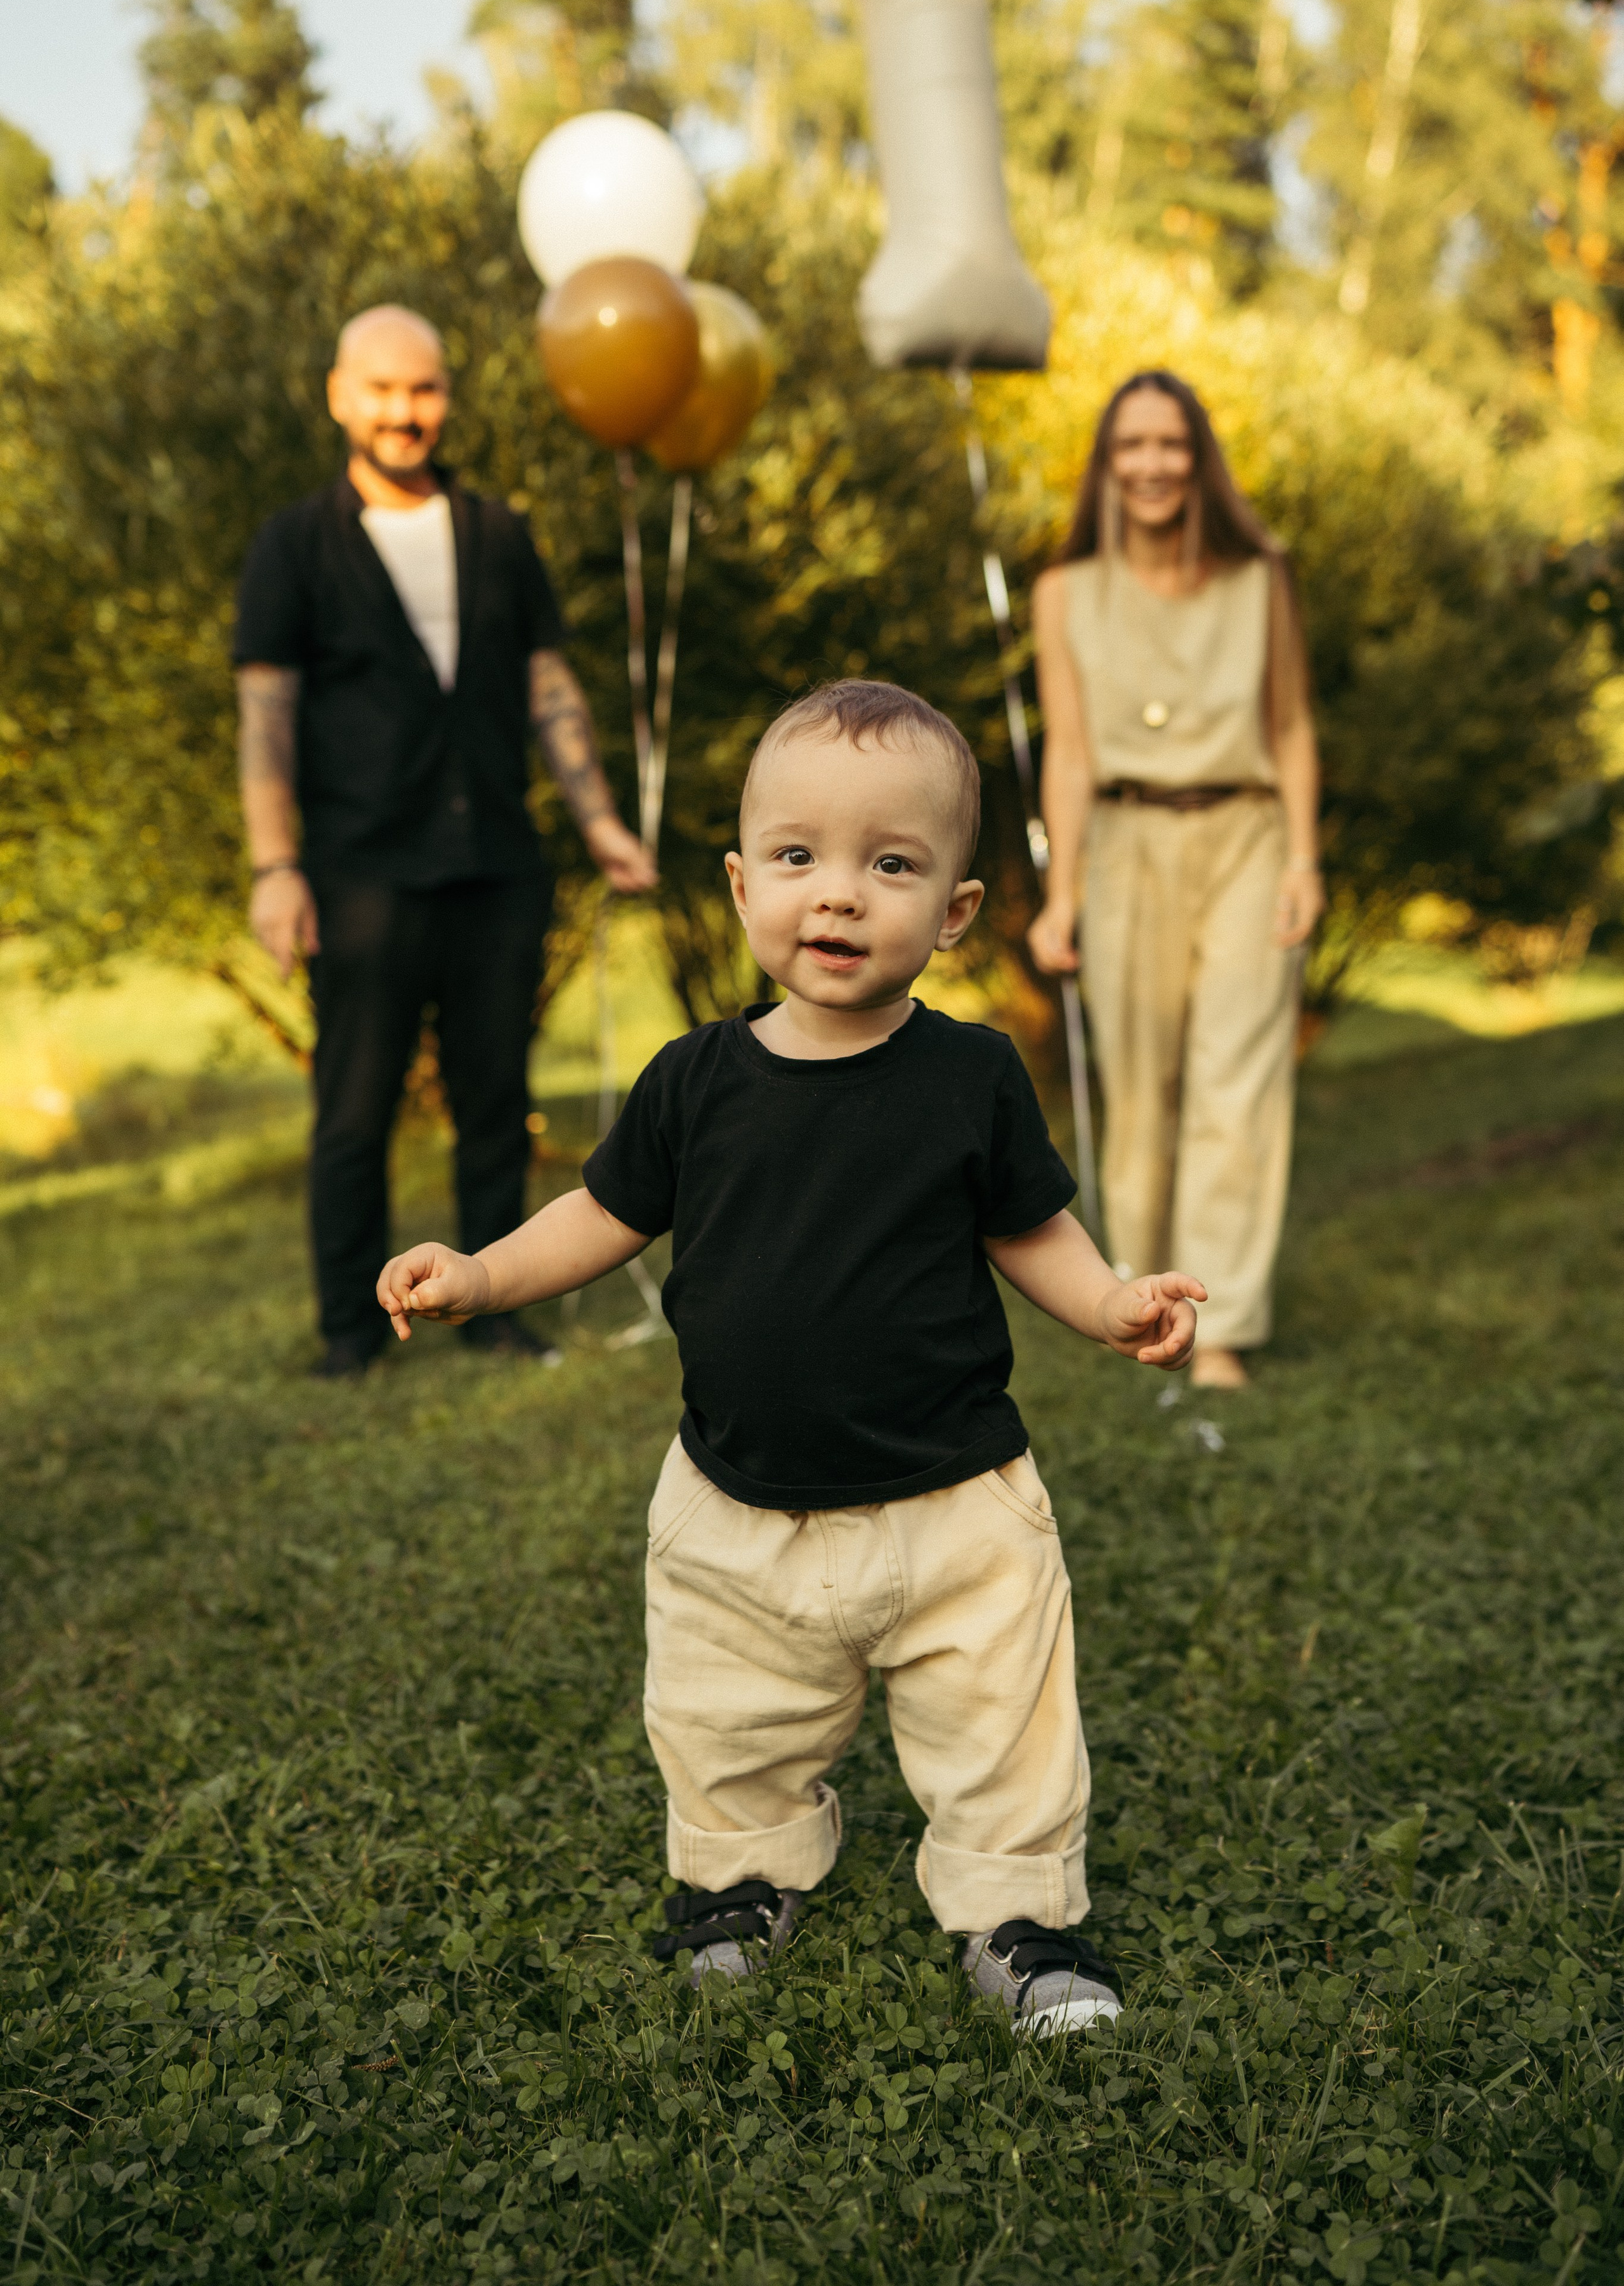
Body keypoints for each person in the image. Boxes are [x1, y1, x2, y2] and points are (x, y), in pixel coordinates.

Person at [377, 681, 1204, 2033]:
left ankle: (1017, 1920)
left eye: (889, 865)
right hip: (736, 1505)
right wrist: (481, 1274)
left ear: (950, 913)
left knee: (1002, 1724)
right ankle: (741, 1884)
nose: (836, 896)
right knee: (723, 1719)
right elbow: (601, 1216)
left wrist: (1110, 1305)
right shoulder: (693, 1081)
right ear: (741, 882)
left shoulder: (969, 1075)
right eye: (798, 857)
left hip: (955, 1503)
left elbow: (1028, 1226)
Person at [235, 304, 654, 1379]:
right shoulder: (294, 542)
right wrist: (277, 868)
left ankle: (498, 1307)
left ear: (446, 398)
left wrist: (602, 821)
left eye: (421, 389)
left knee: (492, 1101)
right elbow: (267, 716)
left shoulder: (497, 533)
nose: (402, 411)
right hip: (360, 872)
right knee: (353, 1110)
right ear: (340, 396)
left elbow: (548, 687)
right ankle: (347, 1330)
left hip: (497, 867)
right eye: (380, 389)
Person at [1026, 370, 1324, 1392]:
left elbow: (1288, 724)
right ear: (1107, 468)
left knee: (1236, 1080)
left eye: (1172, 445)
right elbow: (1067, 752)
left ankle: (1224, 1323)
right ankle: (1143, 1303)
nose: (1152, 465)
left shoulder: (1259, 575)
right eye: (1131, 447)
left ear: (1199, 460)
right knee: (1140, 1084)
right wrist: (1062, 895)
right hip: (1123, 841)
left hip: (1244, 832)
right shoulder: (1064, 592)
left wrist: (1302, 861)